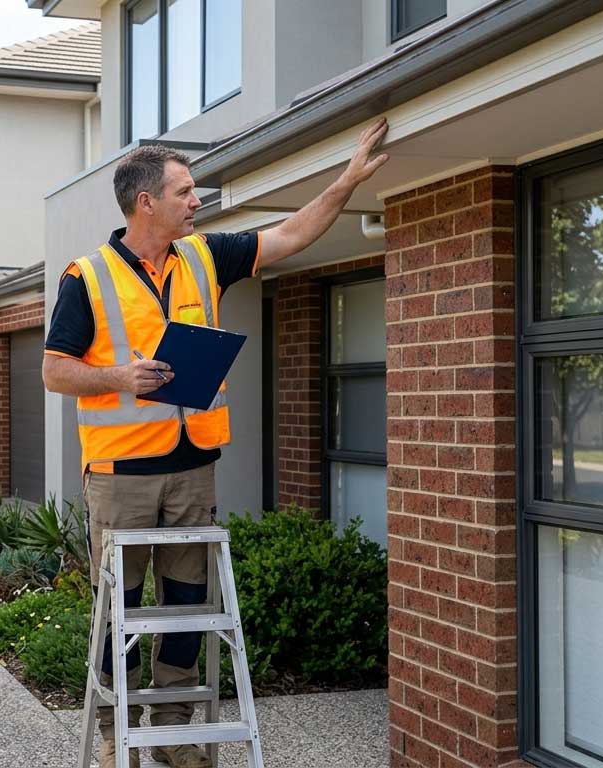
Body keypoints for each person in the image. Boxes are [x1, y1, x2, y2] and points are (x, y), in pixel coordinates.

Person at [42, 118, 390, 768]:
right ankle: (121, 733)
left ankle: (173, 732)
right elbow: (54, 368)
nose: (197, 200)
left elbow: (291, 234)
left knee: (183, 608)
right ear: (146, 202)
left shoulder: (205, 256)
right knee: (120, 608)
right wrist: (120, 375)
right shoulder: (86, 278)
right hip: (120, 475)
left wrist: (347, 180)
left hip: (193, 468)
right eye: (184, 192)